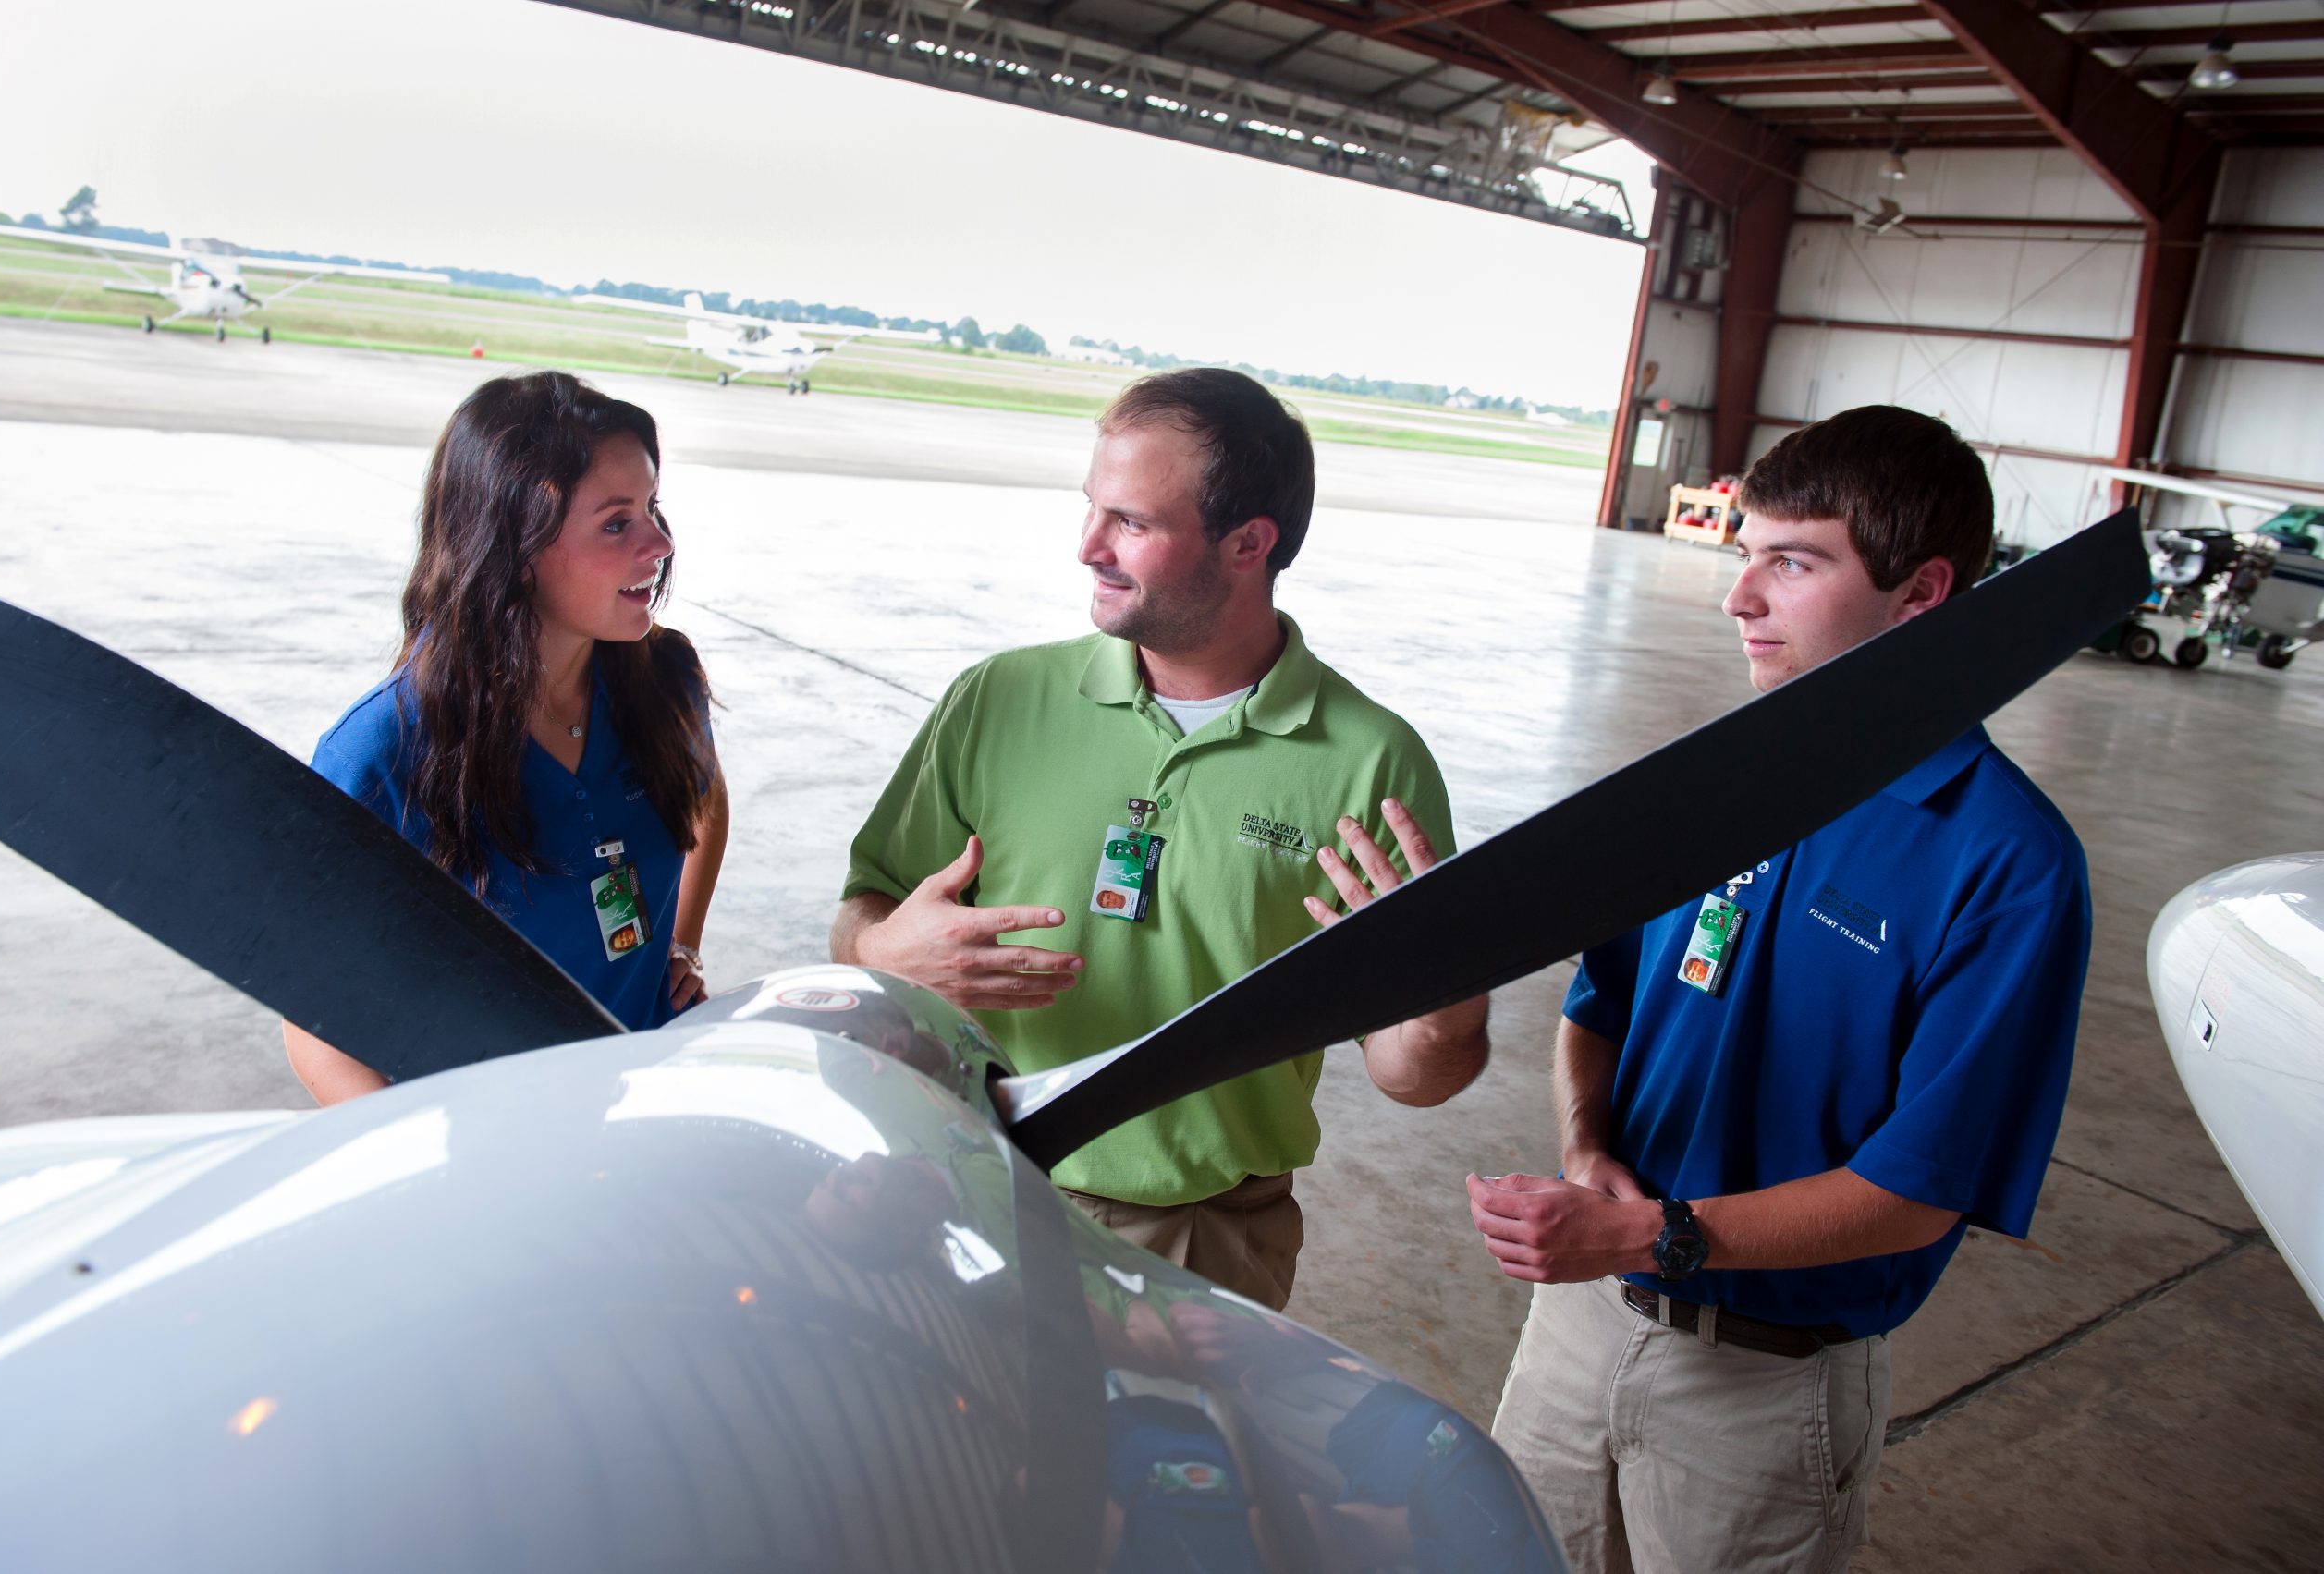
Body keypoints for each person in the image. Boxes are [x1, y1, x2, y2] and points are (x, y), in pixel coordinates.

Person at [1467, 404, 2092, 1572]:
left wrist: (1652, 1229)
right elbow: (1600, 1003)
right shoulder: (1718, 779)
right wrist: (1584, 1142)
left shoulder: (2004, 861)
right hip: (1582, 1319)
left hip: (1762, 1385)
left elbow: (1917, 1190)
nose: (1737, 598)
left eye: (1791, 562)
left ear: (1923, 594)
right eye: (1741, 554)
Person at [833, 368, 1489, 1311]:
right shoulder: (997, 699)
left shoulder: (1368, 764)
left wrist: (1445, 1014)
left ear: (1247, 543)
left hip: (1200, 1244)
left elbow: (1411, 1073)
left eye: (1131, 523)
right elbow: (862, 911)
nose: (1087, 547)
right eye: (1091, 510)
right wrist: (877, 947)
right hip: (963, 1183)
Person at [287, 371, 729, 1104]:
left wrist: (679, 941)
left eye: (653, 506)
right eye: (616, 522)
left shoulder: (665, 677)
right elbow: (311, 1009)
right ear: (512, 545)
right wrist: (413, 1154)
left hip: (640, 1096)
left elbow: (706, 800)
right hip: (487, 1135)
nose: (659, 543)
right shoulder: (382, 752)